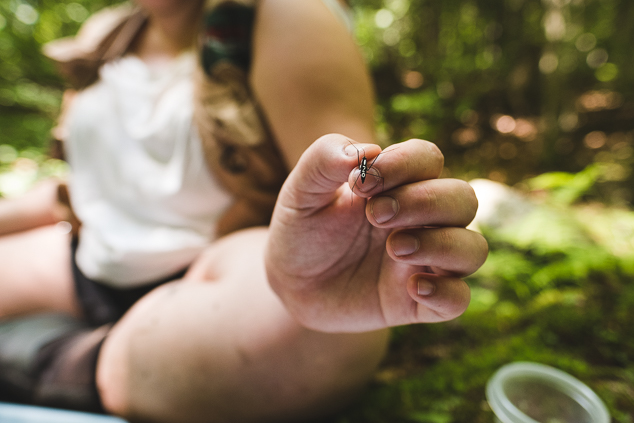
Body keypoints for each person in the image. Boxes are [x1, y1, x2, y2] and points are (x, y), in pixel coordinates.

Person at [0, 0, 488, 421]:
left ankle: (75, 363)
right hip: (88, 256)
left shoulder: (281, 15)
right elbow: (80, 187)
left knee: (328, 333)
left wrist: (385, 211)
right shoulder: (107, 35)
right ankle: (92, 366)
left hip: (231, 278)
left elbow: (347, 188)